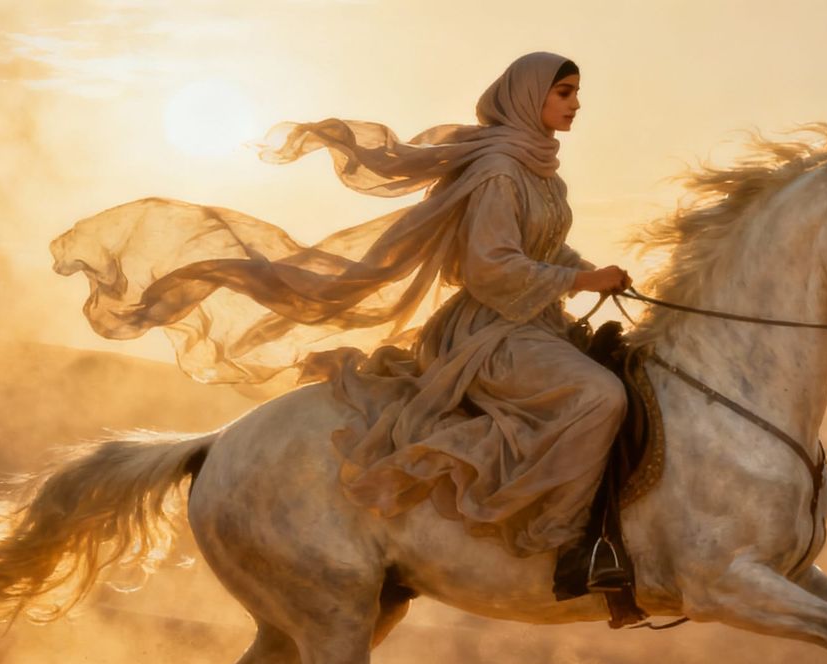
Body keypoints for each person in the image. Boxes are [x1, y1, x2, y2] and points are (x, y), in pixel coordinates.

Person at [50, 51, 639, 615]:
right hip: (492, 331)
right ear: (530, 96)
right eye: (565, 92)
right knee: (598, 396)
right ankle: (568, 542)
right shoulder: (497, 172)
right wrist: (580, 278)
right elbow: (488, 268)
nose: (576, 103)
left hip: (533, 319)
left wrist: (587, 271)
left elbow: (541, 246)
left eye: (576, 93)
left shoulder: (540, 171)